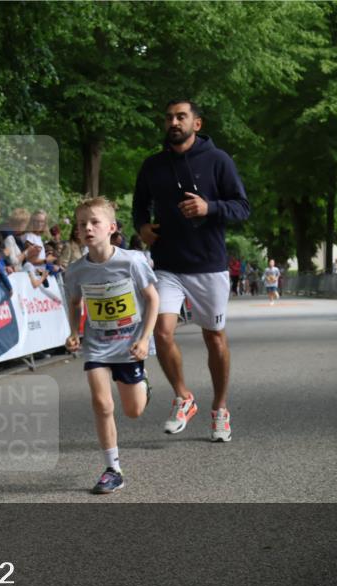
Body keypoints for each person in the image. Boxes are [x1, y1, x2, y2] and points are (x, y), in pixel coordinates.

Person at [132, 99, 249, 442]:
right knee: (162, 332)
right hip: (167, 263)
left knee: (214, 337)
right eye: (168, 117)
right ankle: (184, 397)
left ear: (196, 124)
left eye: (181, 117)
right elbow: (140, 205)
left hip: (208, 264)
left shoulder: (218, 160)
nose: (173, 122)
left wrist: (208, 207)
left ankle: (220, 409)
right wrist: (141, 227)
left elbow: (242, 207)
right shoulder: (152, 165)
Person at [64, 197, 158, 494]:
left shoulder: (132, 261)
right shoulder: (76, 270)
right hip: (97, 346)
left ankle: (143, 383)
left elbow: (153, 299)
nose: (88, 228)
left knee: (133, 411)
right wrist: (73, 332)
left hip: (130, 345)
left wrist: (144, 339)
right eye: (82, 224)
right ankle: (112, 468)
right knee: (102, 404)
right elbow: (75, 303)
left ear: (111, 227)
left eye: (94, 222)